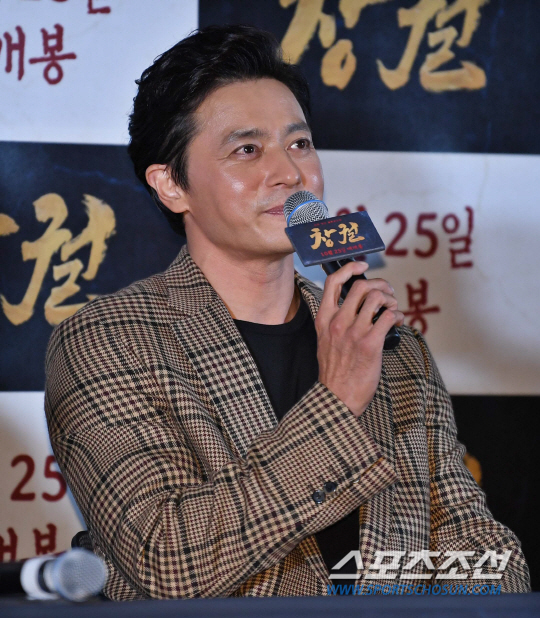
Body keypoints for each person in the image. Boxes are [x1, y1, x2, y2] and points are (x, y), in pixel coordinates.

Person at [44, 25, 530, 600]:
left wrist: (392, 598)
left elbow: (487, 558)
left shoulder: (389, 346)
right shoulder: (107, 342)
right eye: (247, 150)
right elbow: (169, 562)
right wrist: (338, 401)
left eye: (299, 144)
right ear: (171, 185)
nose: (291, 174)